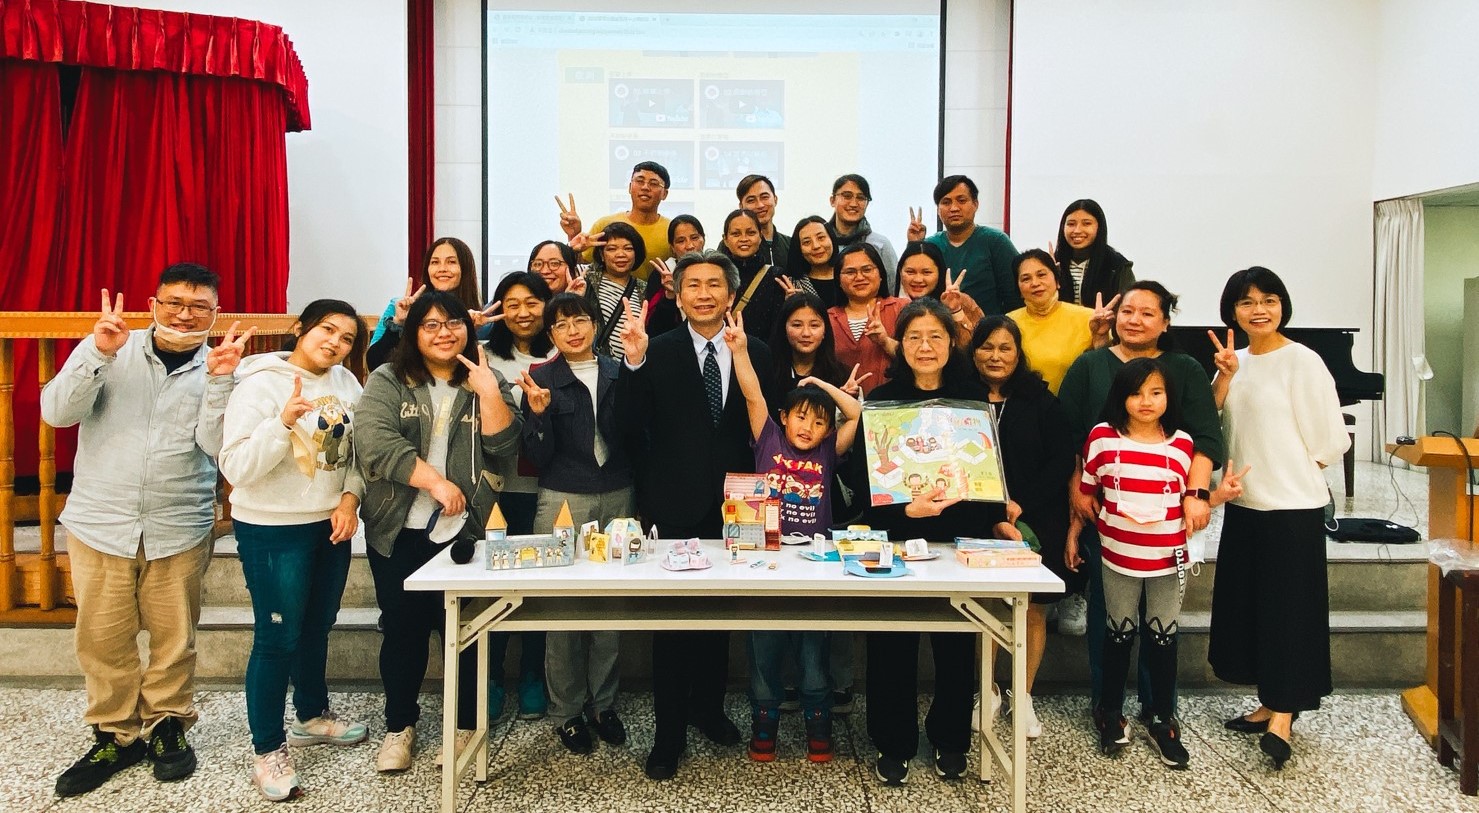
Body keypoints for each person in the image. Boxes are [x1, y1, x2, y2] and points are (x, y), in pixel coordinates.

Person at [43, 266, 250, 798]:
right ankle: (114, 735)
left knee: (174, 637)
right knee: (102, 638)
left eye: (199, 306)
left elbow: (215, 446)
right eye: (174, 302)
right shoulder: (110, 347)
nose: (185, 314)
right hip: (101, 521)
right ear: (153, 303)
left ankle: (167, 725)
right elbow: (57, 413)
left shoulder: (221, 364)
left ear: (215, 313)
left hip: (178, 521)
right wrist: (97, 353)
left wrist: (221, 383)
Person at [354, 290, 522, 773]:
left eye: (453, 323)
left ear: (468, 329)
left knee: (469, 632)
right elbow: (375, 442)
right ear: (414, 332)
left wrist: (489, 392)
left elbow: (506, 446)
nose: (444, 333)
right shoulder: (389, 379)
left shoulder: (486, 377)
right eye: (430, 324)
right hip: (399, 527)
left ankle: (467, 725)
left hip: (469, 529)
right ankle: (399, 727)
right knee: (402, 631)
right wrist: (435, 483)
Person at [619, 249, 771, 781]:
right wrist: (633, 364)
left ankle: (708, 709)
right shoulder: (655, 349)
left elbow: (767, 428)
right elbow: (629, 425)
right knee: (673, 625)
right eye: (693, 285)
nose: (704, 294)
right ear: (678, 296)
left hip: (738, 506)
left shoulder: (756, 350)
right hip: (673, 505)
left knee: (719, 620)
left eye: (714, 284)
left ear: (731, 294)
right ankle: (668, 736)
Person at [862, 298, 1019, 786]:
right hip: (898, 541)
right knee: (892, 646)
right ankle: (893, 742)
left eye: (935, 336)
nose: (925, 346)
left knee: (956, 647)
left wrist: (999, 522)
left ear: (952, 343)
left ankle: (951, 740)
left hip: (960, 540)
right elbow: (868, 490)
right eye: (914, 337)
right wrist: (906, 512)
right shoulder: (882, 402)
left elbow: (987, 471)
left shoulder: (972, 400)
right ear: (899, 344)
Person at [1056, 281, 1225, 734]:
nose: (1134, 320)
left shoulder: (1184, 368)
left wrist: (1196, 494)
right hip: (1105, 509)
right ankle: (1106, 704)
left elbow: (1205, 438)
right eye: (1127, 310)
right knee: (1106, 610)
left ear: (1165, 322)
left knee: (1161, 618)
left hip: (1167, 514)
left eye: (1148, 313)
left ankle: (1159, 708)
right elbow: (1069, 433)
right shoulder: (1091, 364)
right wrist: (1077, 489)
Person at [218, 299, 368, 801]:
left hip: (329, 524)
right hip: (272, 527)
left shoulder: (346, 383)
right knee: (277, 637)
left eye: (347, 338)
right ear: (300, 328)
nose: (336, 343)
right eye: (327, 330)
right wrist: (281, 424)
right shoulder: (259, 383)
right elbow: (237, 467)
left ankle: (311, 715)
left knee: (317, 625)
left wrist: (349, 499)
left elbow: (359, 454)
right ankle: (267, 749)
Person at [1206, 267, 1349, 770]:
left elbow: (1330, 440)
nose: (1259, 310)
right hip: (1244, 506)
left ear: (1282, 305)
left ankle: (1283, 717)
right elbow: (1211, 424)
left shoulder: (1303, 361)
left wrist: (1294, 471)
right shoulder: (1235, 362)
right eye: (1247, 302)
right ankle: (1268, 702)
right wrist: (1224, 376)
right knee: (1254, 611)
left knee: (1290, 614)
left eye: (1268, 299)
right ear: (1232, 312)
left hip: (1292, 509)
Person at [1072, 357, 1244, 768]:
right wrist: (1075, 532)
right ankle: (1110, 712)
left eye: (1156, 392)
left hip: (1168, 560)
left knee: (1163, 636)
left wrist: (1218, 497)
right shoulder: (1101, 438)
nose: (1146, 401)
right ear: (1121, 397)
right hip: (1117, 557)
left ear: (1169, 397)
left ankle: (1163, 719)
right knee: (1117, 633)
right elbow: (1087, 493)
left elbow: (1192, 504)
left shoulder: (1183, 445)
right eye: (1136, 393)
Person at [728, 309, 862, 764]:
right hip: (764, 558)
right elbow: (752, 393)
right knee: (764, 645)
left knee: (812, 650)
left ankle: (817, 724)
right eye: (801, 417)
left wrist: (820, 385)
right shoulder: (768, 438)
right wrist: (740, 351)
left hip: (815, 563)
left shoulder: (828, 450)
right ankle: (764, 721)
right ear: (783, 417)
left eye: (819, 422)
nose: (809, 428)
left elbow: (856, 414)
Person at [517, 292, 640, 757]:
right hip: (563, 496)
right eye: (561, 324)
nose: (572, 330)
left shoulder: (619, 370)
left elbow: (637, 433)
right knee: (563, 606)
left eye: (580, 320)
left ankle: (603, 704)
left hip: (619, 491)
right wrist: (539, 414)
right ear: (550, 334)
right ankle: (566, 710)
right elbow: (537, 455)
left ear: (594, 324)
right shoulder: (541, 377)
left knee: (611, 604)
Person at [968, 315, 1080, 740]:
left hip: (1035, 516)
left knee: (1032, 608)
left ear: (1019, 354)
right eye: (986, 347)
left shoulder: (1041, 400)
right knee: (984, 606)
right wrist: (994, 508)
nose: (995, 356)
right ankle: (987, 689)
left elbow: (1060, 460)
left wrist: (1021, 503)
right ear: (973, 352)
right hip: (979, 517)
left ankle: (1024, 693)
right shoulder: (961, 396)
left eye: (1005, 348)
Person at [482, 272, 557, 722]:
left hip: (548, 491)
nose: (523, 312)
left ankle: (532, 674)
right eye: (512, 304)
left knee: (540, 587)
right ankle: (491, 676)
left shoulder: (563, 351)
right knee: (495, 586)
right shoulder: (484, 357)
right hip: (497, 491)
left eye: (532, 302)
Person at [367, 237, 496, 370]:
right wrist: (399, 323)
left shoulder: (479, 320)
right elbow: (375, 364)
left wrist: (469, 330)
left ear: (465, 268)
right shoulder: (399, 307)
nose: (442, 269)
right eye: (435, 262)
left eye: (451, 262)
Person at [1006, 248, 1115, 394]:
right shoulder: (1008, 322)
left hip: (1075, 403)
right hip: (1023, 403)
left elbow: (1107, 370)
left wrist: (1101, 338)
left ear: (1057, 281)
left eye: (1041, 275)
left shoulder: (1089, 319)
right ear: (1018, 289)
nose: (1035, 283)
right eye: (1026, 279)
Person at [907, 175, 1020, 313]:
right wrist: (914, 245)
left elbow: (1014, 296)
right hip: (939, 325)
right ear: (938, 209)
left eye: (961, 200)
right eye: (946, 202)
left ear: (975, 204)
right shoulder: (931, 245)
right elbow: (914, 294)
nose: (954, 208)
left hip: (988, 324)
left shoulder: (995, 241)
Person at [558, 161, 672, 277]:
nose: (645, 187)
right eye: (639, 181)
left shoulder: (671, 230)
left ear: (664, 193)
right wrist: (574, 235)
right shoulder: (605, 224)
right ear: (630, 187)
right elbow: (581, 267)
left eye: (653, 183)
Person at [828, 243, 907, 397]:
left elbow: (919, 356)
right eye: (850, 272)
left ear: (881, 274)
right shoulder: (827, 318)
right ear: (838, 280)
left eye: (867, 270)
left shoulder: (902, 308)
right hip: (841, 404)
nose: (859, 277)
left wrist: (885, 342)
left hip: (895, 404)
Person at [582, 221, 648, 362]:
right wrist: (573, 249)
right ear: (601, 254)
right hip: (594, 365)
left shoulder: (644, 289)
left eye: (628, 248)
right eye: (612, 249)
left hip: (631, 365)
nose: (620, 254)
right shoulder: (585, 277)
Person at [894, 240, 982, 345]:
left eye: (926, 272)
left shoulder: (961, 301)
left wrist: (955, 311)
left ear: (940, 273)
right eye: (910, 272)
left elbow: (978, 347)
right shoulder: (890, 306)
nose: (918, 279)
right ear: (900, 272)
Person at [719, 208, 787, 341]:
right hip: (722, 349)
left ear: (760, 236)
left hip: (763, 351)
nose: (744, 239)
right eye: (736, 234)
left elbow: (778, 329)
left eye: (751, 233)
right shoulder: (716, 275)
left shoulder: (775, 276)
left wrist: (791, 304)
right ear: (725, 239)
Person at [1052, 199, 1135, 307]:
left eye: (1086, 224)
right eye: (1071, 224)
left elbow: (1129, 308)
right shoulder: (1051, 264)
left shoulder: (1117, 266)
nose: (1077, 230)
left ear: (1099, 227)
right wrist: (1049, 274)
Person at [828, 174, 899, 292]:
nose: (853, 204)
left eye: (861, 198)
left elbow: (893, 287)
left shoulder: (880, 244)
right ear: (832, 200)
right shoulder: (821, 244)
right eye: (847, 196)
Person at [645, 214, 705, 338]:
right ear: (672, 247)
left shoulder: (717, 270)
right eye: (681, 241)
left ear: (703, 239)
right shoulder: (662, 273)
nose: (689, 246)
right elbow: (653, 329)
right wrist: (670, 295)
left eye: (694, 238)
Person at [782, 216, 841, 308]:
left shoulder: (851, 277)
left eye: (821, 238)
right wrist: (790, 305)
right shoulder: (792, 286)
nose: (816, 246)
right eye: (807, 242)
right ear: (799, 249)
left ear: (832, 239)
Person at [737, 174, 790, 266]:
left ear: (775, 199)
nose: (760, 205)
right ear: (741, 206)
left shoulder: (790, 244)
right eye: (751, 200)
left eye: (764, 197)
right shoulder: (733, 245)